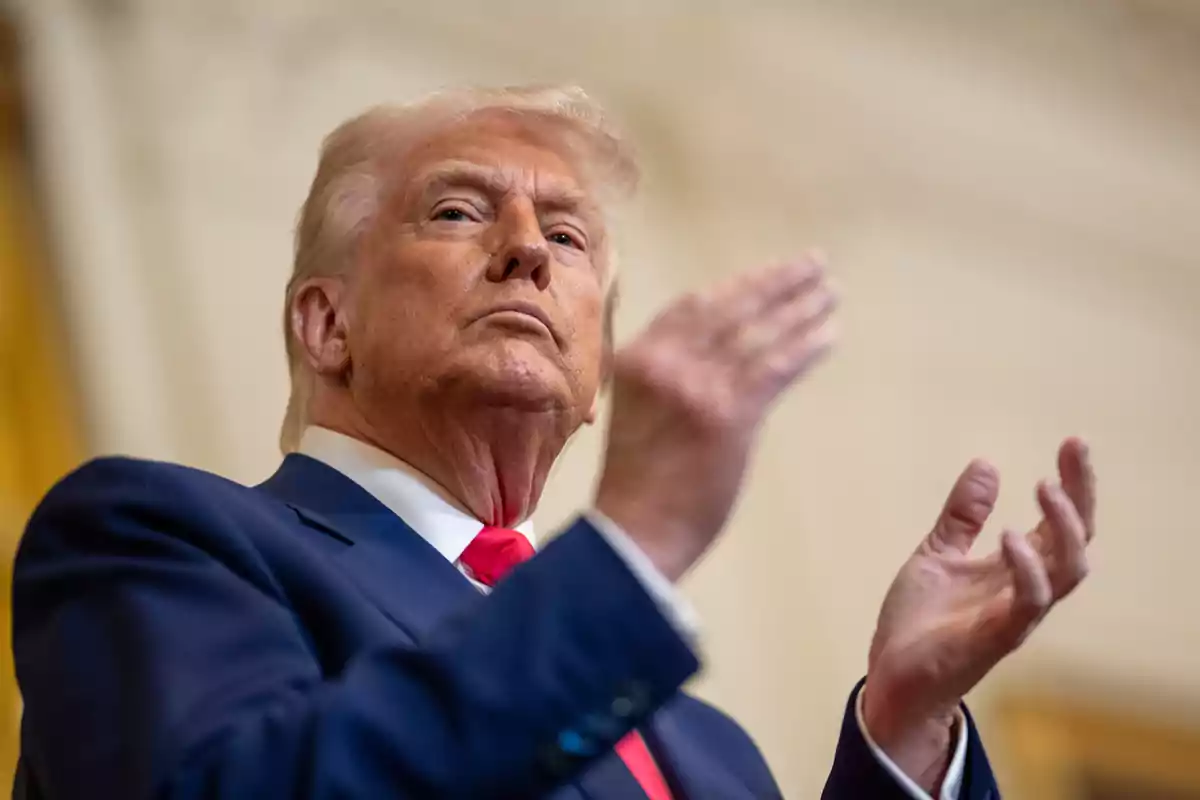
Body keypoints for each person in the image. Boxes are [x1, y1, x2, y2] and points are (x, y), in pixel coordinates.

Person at [12, 85, 1095, 799]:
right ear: (325, 322)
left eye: (568, 234)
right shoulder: (161, 537)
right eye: (455, 212)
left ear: (594, 378)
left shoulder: (706, 747)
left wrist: (907, 731)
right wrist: (630, 547)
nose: (528, 249)